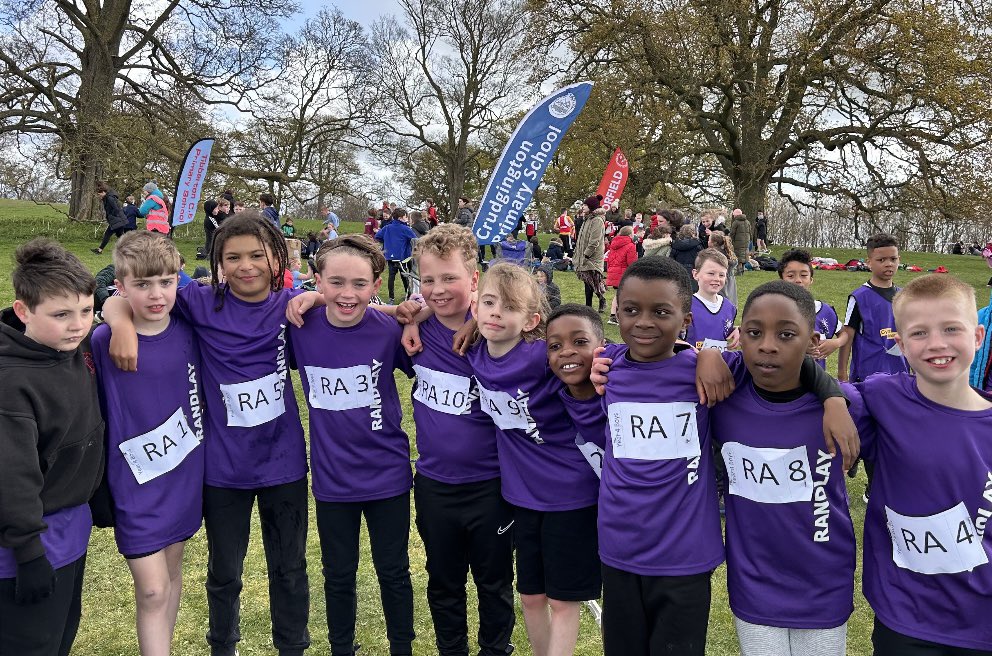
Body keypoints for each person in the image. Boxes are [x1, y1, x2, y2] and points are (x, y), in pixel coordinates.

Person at [593, 257, 854, 656]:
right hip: (619, 547)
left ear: (685, 321)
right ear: (616, 308)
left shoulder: (718, 371)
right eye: (631, 310)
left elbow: (782, 360)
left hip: (687, 554)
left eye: (660, 312)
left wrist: (832, 395)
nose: (644, 322)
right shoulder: (609, 366)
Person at [103, 211, 311, 656]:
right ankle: (223, 646)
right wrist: (119, 323)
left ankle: (292, 647)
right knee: (224, 571)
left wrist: (403, 310)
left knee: (289, 568)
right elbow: (125, 292)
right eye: (233, 257)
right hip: (223, 468)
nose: (246, 266)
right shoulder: (198, 300)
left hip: (284, 462)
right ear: (218, 261)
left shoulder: (293, 306)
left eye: (257, 255)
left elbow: (352, 305)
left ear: (277, 256)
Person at [712, 280, 864, 656]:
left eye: (786, 334)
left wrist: (832, 395)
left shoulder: (849, 409)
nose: (767, 345)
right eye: (754, 332)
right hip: (754, 582)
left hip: (822, 581)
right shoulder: (720, 395)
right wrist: (701, 354)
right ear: (738, 336)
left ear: (812, 340)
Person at [288, 235, 416, 656]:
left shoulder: (388, 329)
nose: (348, 294)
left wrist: (407, 314)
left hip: (388, 476)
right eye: (336, 282)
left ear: (377, 284)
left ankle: (403, 648)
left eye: (360, 284)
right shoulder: (299, 328)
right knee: (338, 574)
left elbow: (436, 320)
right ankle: (341, 647)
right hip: (333, 480)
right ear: (317, 281)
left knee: (394, 572)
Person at [466, 263, 602, 656]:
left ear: (531, 321)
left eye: (508, 308)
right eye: (488, 303)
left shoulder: (542, 357)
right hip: (521, 496)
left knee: (563, 601)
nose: (495, 313)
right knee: (530, 597)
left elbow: (595, 350)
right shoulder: (475, 352)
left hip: (571, 494)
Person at [396, 225, 516, 656]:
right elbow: (357, 315)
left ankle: (496, 649)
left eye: (449, 278)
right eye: (427, 280)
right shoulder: (413, 333)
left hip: (492, 486)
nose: (437, 290)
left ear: (474, 281)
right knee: (443, 580)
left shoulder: (500, 333)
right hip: (434, 484)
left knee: (495, 582)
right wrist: (412, 314)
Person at [857, 274, 992, 654]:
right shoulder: (883, 397)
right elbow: (805, 393)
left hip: (982, 623)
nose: (937, 344)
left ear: (978, 337)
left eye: (952, 329)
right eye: (918, 334)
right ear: (900, 344)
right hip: (906, 619)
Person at [91, 231, 205, 656]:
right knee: (153, 589)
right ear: (121, 287)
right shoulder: (105, 341)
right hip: (134, 484)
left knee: (172, 574)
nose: (156, 294)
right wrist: (117, 320)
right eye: (142, 285)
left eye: (165, 282)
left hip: (184, 476)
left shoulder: (191, 329)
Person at [0, 239, 103, 656]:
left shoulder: (71, 351)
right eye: (61, 315)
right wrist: (27, 554)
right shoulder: (11, 383)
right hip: (25, 548)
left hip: (70, 533)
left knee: (60, 639)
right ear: (23, 311)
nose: (77, 325)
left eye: (85, 310)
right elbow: (12, 475)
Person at [837, 233, 909, 503]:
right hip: (867, 378)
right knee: (872, 430)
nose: (888, 264)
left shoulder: (904, 296)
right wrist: (843, 373)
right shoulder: (859, 297)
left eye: (893, 258)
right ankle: (870, 483)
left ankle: (883, 480)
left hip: (900, 377)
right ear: (869, 262)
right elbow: (848, 335)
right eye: (881, 259)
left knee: (894, 433)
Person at [777, 248, 841, 369]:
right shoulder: (773, 311)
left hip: (816, 383)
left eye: (804, 275)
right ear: (782, 280)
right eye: (790, 275)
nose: (798, 280)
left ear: (811, 279)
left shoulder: (824, 310)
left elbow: (845, 333)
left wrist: (835, 343)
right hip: (782, 380)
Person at [685, 248, 739, 351]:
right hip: (691, 365)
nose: (717, 279)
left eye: (721, 275)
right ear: (696, 274)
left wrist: (737, 330)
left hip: (720, 365)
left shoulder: (729, 307)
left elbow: (720, 329)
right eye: (711, 273)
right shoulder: (685, 306)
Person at [375, 208, 419, 304]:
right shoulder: (405, 229)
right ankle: (408, 295)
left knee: (391, 278)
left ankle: (391, 298)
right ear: (400, 218)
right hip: (402, 257)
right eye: (405, 217)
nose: (407, 218)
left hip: (390, 257)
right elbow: (415, 239)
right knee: (405, 277)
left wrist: (387, 242)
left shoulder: (387, 227)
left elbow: (377, 236)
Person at [574, 207, 607, 312]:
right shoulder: (586, 219)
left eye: (586, 205)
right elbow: (581, 238)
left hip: (592, 256)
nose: (583, 207)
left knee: (594, 281)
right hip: (584, 255)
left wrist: (587, 254)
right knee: (588, 281)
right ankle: (589, 306)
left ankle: (599, 301)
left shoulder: (597, 220)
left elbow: (595, 240)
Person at [605, 226, 637, 325]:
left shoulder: (613, 244)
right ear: (630, 234)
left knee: (618, 295)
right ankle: (619, 315)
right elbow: (631, 262)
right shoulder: (631, 245)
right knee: (623, 296)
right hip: (624, 273)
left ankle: (613, 315)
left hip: (614, 272)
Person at [92, 181, 129, 254]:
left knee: (108, 234)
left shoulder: (109, 198)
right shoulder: (107, 198)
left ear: (103, 192)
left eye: (99, 194)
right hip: (118, 220)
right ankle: (128, 250)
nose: (99, 196)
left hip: (117, 220)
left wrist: (112, 215)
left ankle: (100, 250)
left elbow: (116, 208)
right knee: (121, 236)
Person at [707, 232, 738, 307]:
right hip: (729, 280)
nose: (707, 242)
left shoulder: (714, 255)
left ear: (713, 243)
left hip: (720, 280)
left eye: (709, 240)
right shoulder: (727, 253)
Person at [729, 208, 751, 274]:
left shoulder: (735, 223)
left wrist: (730, 240)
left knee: (738, 256)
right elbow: (750, 231)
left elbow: (732, 233)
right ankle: (743, 269)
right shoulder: (747, 222)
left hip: (738, 242)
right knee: (744, 255)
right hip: (746, 241)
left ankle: (739, 270)